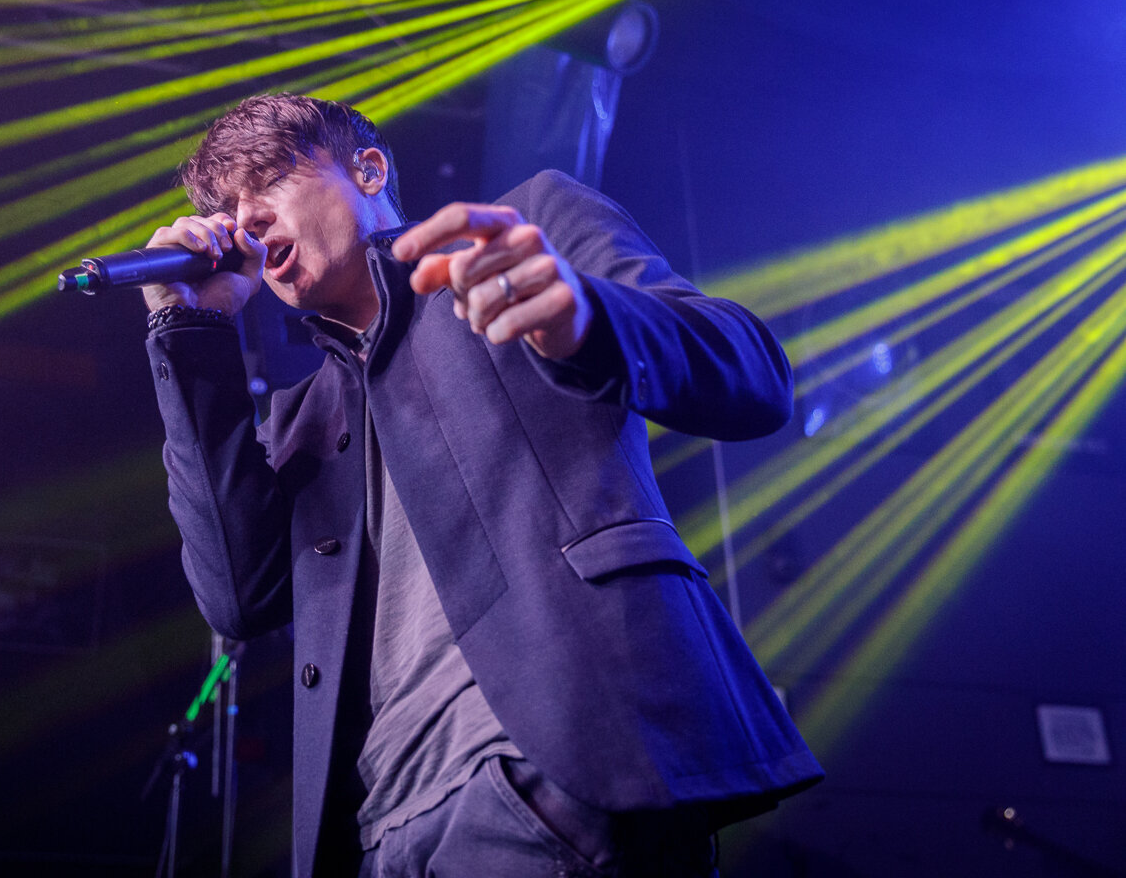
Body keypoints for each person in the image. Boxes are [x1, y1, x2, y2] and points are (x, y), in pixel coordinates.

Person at [139, 93, 822, 877]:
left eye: (267, 182)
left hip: (546, 768)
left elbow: (752, 374)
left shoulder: (523, 238)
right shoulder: (301, 419)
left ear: (369, 169)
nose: (244, 220)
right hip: (378, 829)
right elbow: (237, 594)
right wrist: (187, 332)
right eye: (225, 207)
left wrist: (589, 315)